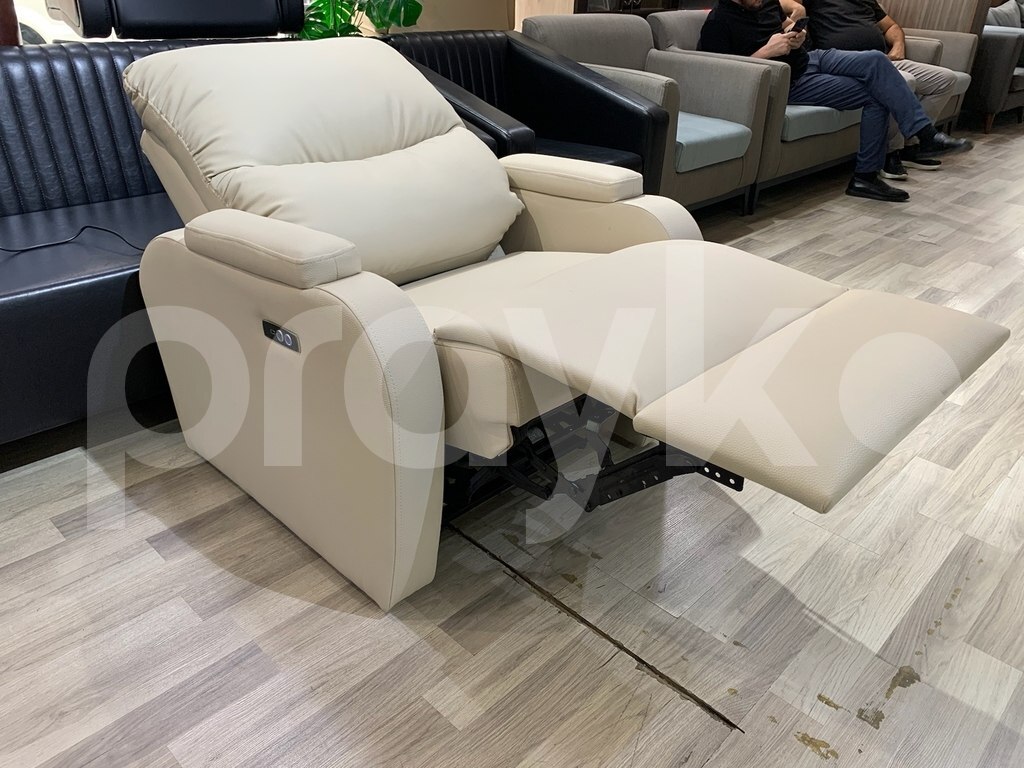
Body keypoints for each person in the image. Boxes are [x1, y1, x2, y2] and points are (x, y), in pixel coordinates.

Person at [698, 0, 972, 203]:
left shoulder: (767, 3)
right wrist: (766, 52)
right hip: (789, 82)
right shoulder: (718, 21)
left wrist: (795, 35)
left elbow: (782, 27)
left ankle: (925, 134)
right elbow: (725, 74)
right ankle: (865, 178)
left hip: (810, 58)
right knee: (876, 95)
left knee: (876, 60)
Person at [782, 0, 962, 179]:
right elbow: (781, 3)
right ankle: (891, 154)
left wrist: (898, 45)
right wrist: (797, 7)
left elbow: (891, 26)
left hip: (882, 59)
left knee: (945, 79)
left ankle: (913, 146)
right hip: (847, 62)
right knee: (899, 82)